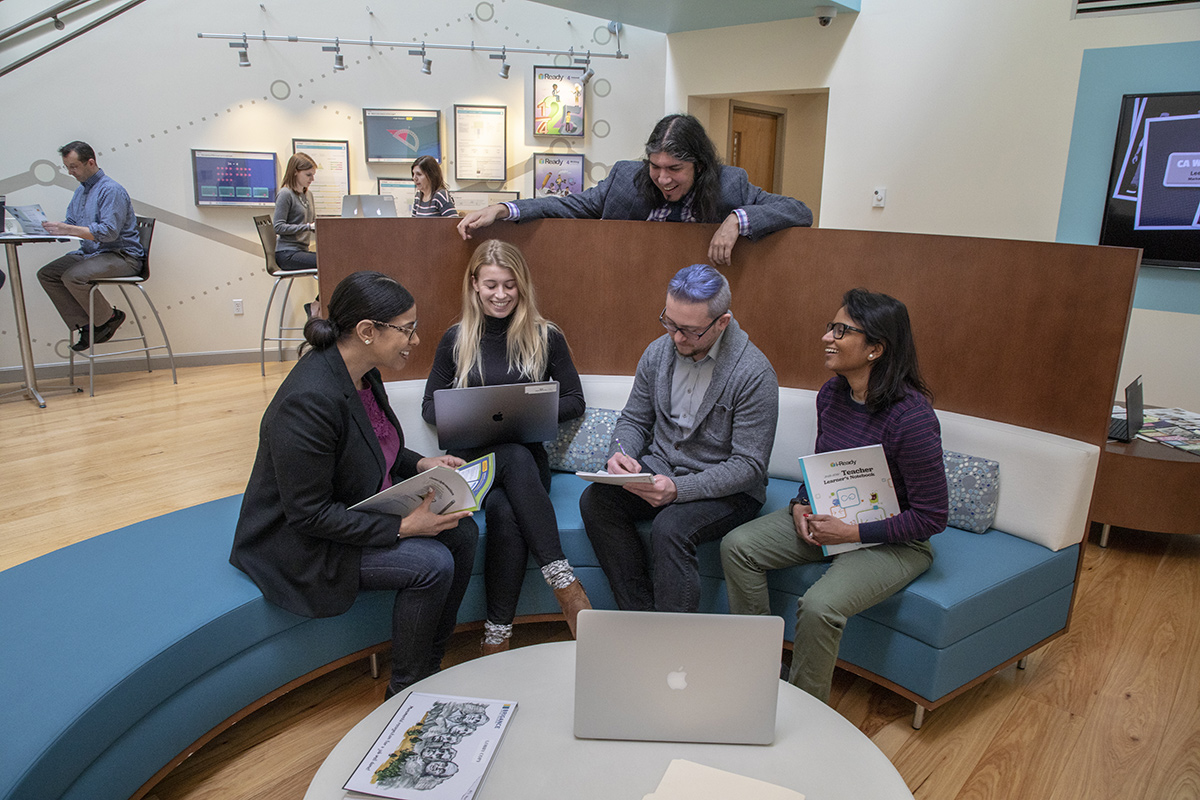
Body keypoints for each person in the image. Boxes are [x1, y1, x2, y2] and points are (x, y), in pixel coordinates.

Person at [230, 271, 478, 698]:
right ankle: (405, 691)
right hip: (303, 544)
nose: (415, 340)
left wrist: (421, 462)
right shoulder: (308, 401)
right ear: (367, 331)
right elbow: (307, 514)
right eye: (407, 329)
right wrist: (403, 528)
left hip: (352, 510)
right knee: (431, 564)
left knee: (464, 531)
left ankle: (431, 663)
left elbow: (374, 443)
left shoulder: (364, 373)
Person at [720, 289, 949, 703]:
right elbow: (823, 468)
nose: (828, 336)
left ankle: (806, 711)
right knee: (739, 546)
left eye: (842, 330)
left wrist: (852, 531)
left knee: (821, 605)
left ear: (876, 348)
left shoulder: (912, 419)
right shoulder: (832, 395)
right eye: (831, 326)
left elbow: (932, 517)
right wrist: (799, 505)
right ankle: (759, 670)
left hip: (897, 541)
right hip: (832, 520)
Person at [422, 239, 590, 654]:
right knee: (511, 456)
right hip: (473, 467)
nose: (501, 295)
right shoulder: (456, 339)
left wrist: (522, 412)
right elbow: (430, 407)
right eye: (492, 285)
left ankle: (497, 637)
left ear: (523, 286)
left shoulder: (544, 336)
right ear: (475, 285)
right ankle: (564, 583)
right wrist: (480, 418)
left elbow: (575, 401)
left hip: (527, 470)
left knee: (505, 507)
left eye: (510, 286)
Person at [580, 263, 778, 612]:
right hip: (660, 470)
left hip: (727, 489)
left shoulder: (754, 373)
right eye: (669, 322)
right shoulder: (658, 353)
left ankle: (674, 639)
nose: (676, 337)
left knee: (670, 527)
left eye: (689, 330)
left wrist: (679, 490)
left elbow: (749, 465)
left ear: (722, 323)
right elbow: (634, 419)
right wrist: (620, 452)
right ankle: (640, 618)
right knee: (597, 501)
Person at [457, 114, 813, 266]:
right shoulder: (625, 179)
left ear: (699, 166)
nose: (663, 178)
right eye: (655, 167)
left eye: (675, 169)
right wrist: (503, 210)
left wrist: (737, 219)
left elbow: (799, 210)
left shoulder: (729, 183)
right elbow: (570, 206)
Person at [38, 141, 143, 352]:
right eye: (67, 167)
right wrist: (52, 229)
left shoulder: (111, 190)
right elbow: (71, 223)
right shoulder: (81, 192)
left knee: (72, 276)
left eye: (74, 167)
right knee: (47, 274)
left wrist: (68, 229)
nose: (70, 172)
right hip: (92, 253)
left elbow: (108, 232)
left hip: (121, 256)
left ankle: (110, 318)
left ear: (91, 162)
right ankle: (87, 326)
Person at [273, 152, 319, 272]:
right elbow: (278, 227)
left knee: (334, 258)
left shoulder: (308, 195)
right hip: (287, 253)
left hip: (302, 251)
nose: (312, 179)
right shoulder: (285, 194)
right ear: (295, 172)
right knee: (329, 261)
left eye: (313, 175)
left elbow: (314, 222)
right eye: (308, 175)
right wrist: (308, 227)